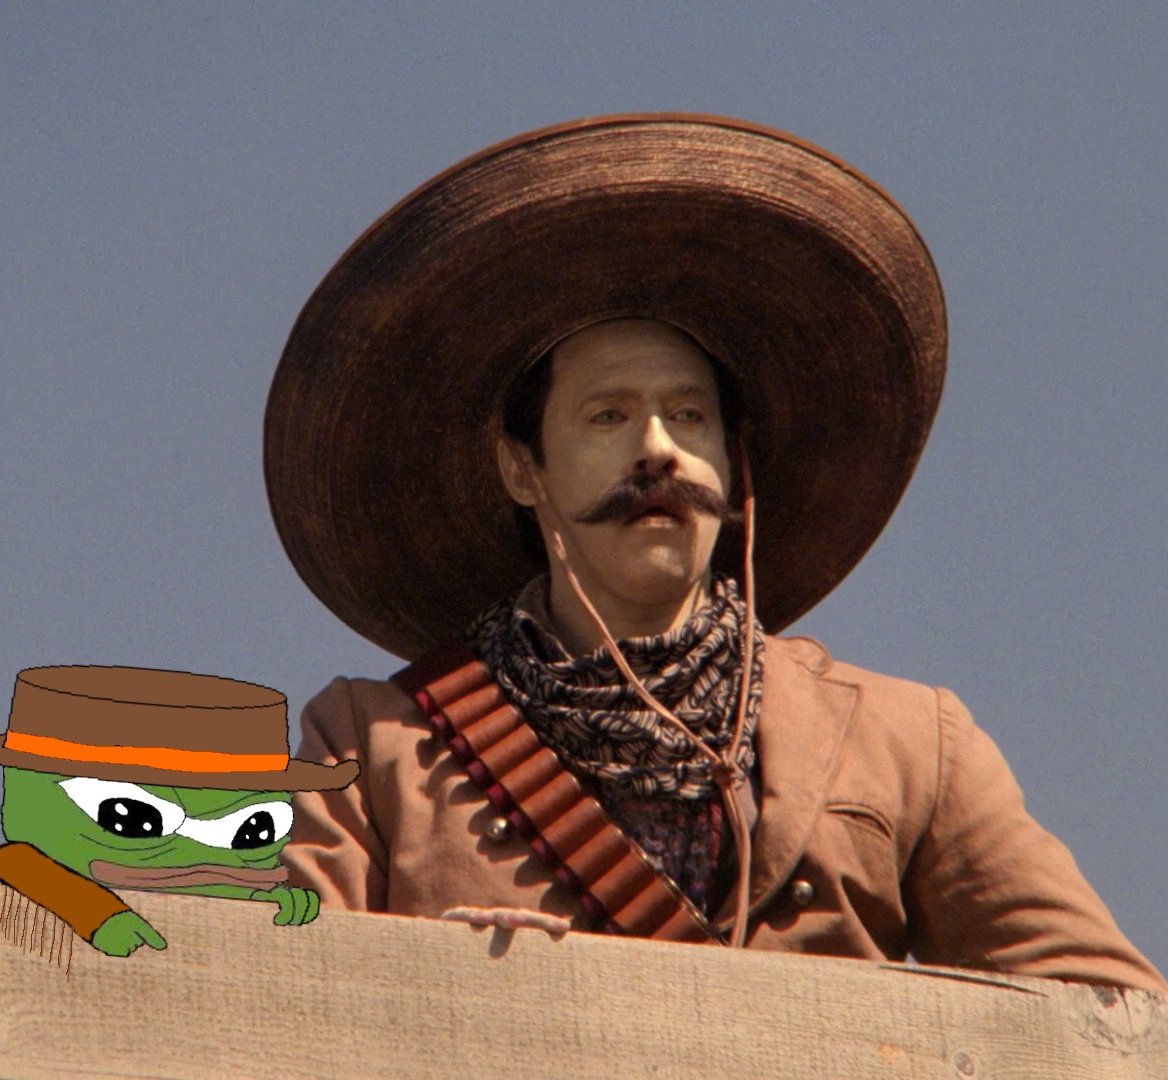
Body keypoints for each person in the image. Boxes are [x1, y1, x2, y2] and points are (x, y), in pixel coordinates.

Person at [262, 114, 1164, 990]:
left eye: (689, 416)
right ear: (521, 468)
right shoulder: (373, 746)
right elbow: (265, 1002)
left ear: (732, 465)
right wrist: (443, 993)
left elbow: (1108, 1014)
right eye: (607, 415)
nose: (658, 449)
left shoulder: (909, 742)